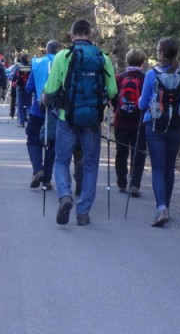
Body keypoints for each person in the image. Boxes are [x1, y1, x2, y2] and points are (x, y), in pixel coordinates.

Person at [42, 19, 117, 226]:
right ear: (90, 35)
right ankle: (83, 212)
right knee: (91, 164)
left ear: (72, 34)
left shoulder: (63, 56)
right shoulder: (103, 58)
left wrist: (45, 101)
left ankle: (65, 196)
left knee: (61, 160)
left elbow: (51, 89)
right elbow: (112, 91)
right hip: (92, 119)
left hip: (67, 118)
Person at [138, 37, 180, 227]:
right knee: (169, 167)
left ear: (162, 53)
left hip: (155, 126)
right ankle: (167, 207)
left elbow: (142, 103)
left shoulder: (151, 74)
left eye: (158, 50)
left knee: (157, 168)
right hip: (176, 126)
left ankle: (161, 207)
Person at [26, 40, 61, 190]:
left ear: (46, 50)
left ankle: (37, 169)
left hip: (37, 109)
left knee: (33, 140)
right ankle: (47, 179)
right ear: (59, 50)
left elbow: (29, 87)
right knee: (51, 143)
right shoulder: (63, 62)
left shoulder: (37, 63)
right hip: (56, 111)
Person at [112, 48, 147, 197]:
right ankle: (135, 184)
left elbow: (113, 96)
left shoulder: (119, 78)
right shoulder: (146, 78)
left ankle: (121, 182)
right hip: (140, 122)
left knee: (121, 152)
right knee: (138, 153)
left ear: (127, 61)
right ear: (143, 62)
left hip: (121, 121)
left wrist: (116, 109)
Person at [10, 53, 31, 128]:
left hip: (20, 88)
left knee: (20, 106)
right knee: (29, 105)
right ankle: (30, 121)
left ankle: (21, 122)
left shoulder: (18, 67)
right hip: (28, 88)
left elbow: (13, 78)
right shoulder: (30, 66)